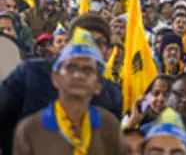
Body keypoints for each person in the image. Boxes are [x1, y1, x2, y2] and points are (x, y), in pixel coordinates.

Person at [0, 14, 122, 154]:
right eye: (82, 39)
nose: (89, 47)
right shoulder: (30, 73)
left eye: (98, 42)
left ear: (108, 51)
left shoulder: (112, 95)